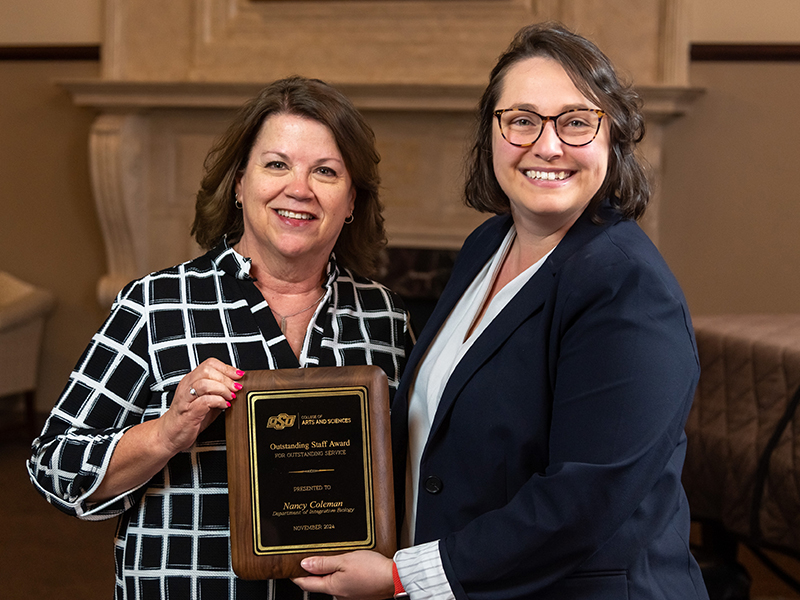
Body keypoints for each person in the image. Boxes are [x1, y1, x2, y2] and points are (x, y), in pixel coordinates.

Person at [294, 22, 710, 600]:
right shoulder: (487, 246)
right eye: (521, 120)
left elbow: (582, 501)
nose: (547, 145)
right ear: (491, 133)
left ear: (610, 136)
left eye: (575, 121)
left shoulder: (627, 286)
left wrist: (401, 577)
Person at [27, 76, 411, 600]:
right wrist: (167, 432)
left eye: (325, 171)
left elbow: (417, 477)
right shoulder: (157, 305)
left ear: (351, 201)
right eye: (276, 164)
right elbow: (54, 466)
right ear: (238, 183)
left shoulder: (384, 318)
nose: (298, 188)